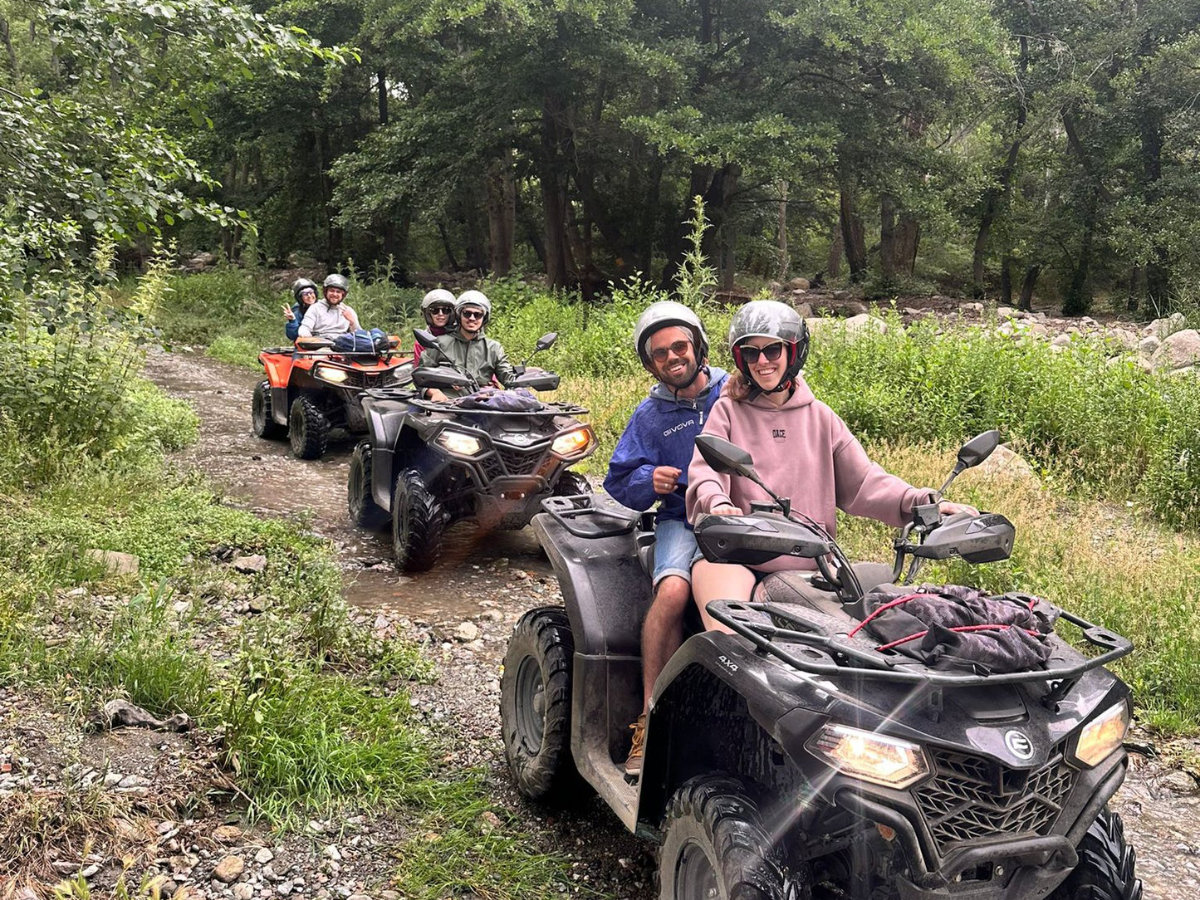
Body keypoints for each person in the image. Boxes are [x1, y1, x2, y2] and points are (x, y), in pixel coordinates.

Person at [686, 299, 977, 633]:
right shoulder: (728, 411)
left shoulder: (821, 418)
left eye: (773, 351)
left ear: (793, 352)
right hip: (736, 556)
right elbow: (708, 468)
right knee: (731, 634)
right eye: (751, 353)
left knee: (866, 637)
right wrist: (718, 503)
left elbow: (865, 481)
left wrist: (923, 503)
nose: (762, 361)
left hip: (811, 564)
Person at [604, 301, 727, 777]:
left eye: (680, 346)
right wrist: (648, 480)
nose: (673, 357)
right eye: (660, 353)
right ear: (650, 362)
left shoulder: (732, 390)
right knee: (673, 592)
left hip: (739, 517)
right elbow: (619, 479)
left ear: (697, 345)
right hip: (680, 519)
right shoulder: (650, 414)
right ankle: (649, 718)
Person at [417, 290, 517, 401]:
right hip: (447, 405)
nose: (472, 318)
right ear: (459, 315)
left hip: (483, 404)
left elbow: (509, 380)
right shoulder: (439, 344)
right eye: (467, 313)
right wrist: (434, 392)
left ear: (484, 318)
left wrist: (528, 376)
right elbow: (421, 376)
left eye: (478, 315)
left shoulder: (493, 348)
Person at [298, 273, 361, 339]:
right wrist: (306, 336)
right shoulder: (315, 308)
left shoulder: (348, 311)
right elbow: (305, 328)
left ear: (343, 295)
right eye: (332, 291)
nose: (334, 294)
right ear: (326, 292)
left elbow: (359, 335)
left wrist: (352, 322)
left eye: (338, 292)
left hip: (342, 344)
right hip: (320, 343)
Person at [414, 288, 456, 364]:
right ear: (428, 314)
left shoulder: (459, 336)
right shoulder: (422, 339)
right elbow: (419, 369)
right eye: (435, 310)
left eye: (446, 310)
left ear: (452, 313)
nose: (440, 314)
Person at [284, 278, 318, 342]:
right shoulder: (297, 312)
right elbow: (292, 336)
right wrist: (292, 321)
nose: (309, 296)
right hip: (306, 345)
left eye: (311, 292)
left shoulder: (323, 307)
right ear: (300, 298)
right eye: (305, 294)